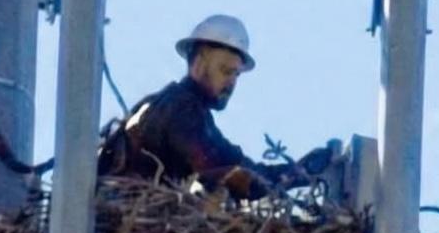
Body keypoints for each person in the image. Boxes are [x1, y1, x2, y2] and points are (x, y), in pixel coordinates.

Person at [98, 14, 335, 200]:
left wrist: (294, 172)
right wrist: (297, 174)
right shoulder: (181, 109)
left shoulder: (161, 104)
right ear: (198, 64)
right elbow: (225, 171)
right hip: (130, 216)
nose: (231, 82)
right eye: (225, 71)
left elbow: (232, 163)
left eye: (236, 75)